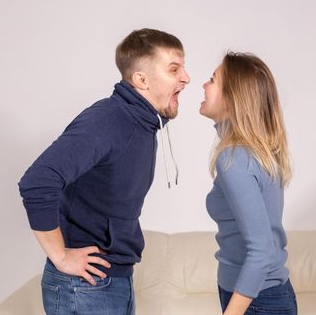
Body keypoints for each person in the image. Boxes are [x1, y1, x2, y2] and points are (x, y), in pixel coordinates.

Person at [18, 28, 190, 315]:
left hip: (112, 280)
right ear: (141, 80)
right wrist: (60, 256)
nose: (186, 78)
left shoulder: (143, 124)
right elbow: (37, 182)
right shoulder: (109, 120)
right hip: (84, 288)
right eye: (174, 69)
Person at [200, 52, 297, 315]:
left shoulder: (234, 158)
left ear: (232, 99)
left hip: (256, 301)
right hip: (262, 296)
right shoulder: (256, 152)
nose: (204, 85)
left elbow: (261, 250)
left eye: (213, 79)